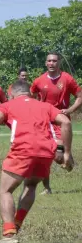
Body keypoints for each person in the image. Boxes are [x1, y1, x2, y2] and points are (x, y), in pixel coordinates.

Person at [0, 79, 74, 243]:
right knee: (31, 185)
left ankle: (9, 234)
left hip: (23, 150)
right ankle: (16, 224)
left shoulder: (8, 105)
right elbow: (66, 122)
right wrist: (67, 153)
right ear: (30, 93)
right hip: (45, 152)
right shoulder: (44, 105)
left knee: (4, 191)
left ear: (11, 93)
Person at [29, 52, 82, 195]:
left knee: (58, 157)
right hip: (44, 121)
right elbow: (31, 97)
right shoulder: (39, 81)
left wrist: (70, 109)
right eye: (49, 61)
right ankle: (47, 188)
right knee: (45, 155)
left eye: (54, 61)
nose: (51, 63)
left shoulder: (67, 79)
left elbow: (79, 96)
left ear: (59, 63)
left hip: (60, 121)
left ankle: (67, 158)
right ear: (45, 63)